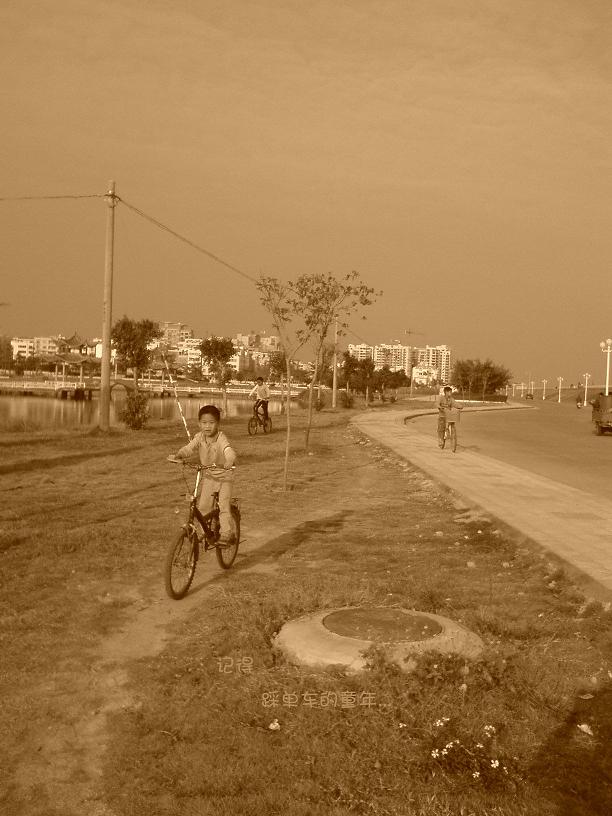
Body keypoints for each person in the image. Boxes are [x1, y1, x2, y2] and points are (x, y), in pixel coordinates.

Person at [169, 405, 237, 543]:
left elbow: (228, 450)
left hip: (225, 476)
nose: (207, 426)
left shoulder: (221, 438)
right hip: (209, 476)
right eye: (204, 423)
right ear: (199, 424)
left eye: (211, 423)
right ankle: (203, 532)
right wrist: (179, 455)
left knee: (223, 506)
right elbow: (189, 448)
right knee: (203, 507)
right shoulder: (199, 437)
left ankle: (226, 533)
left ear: (218, 423)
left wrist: (230, 460)